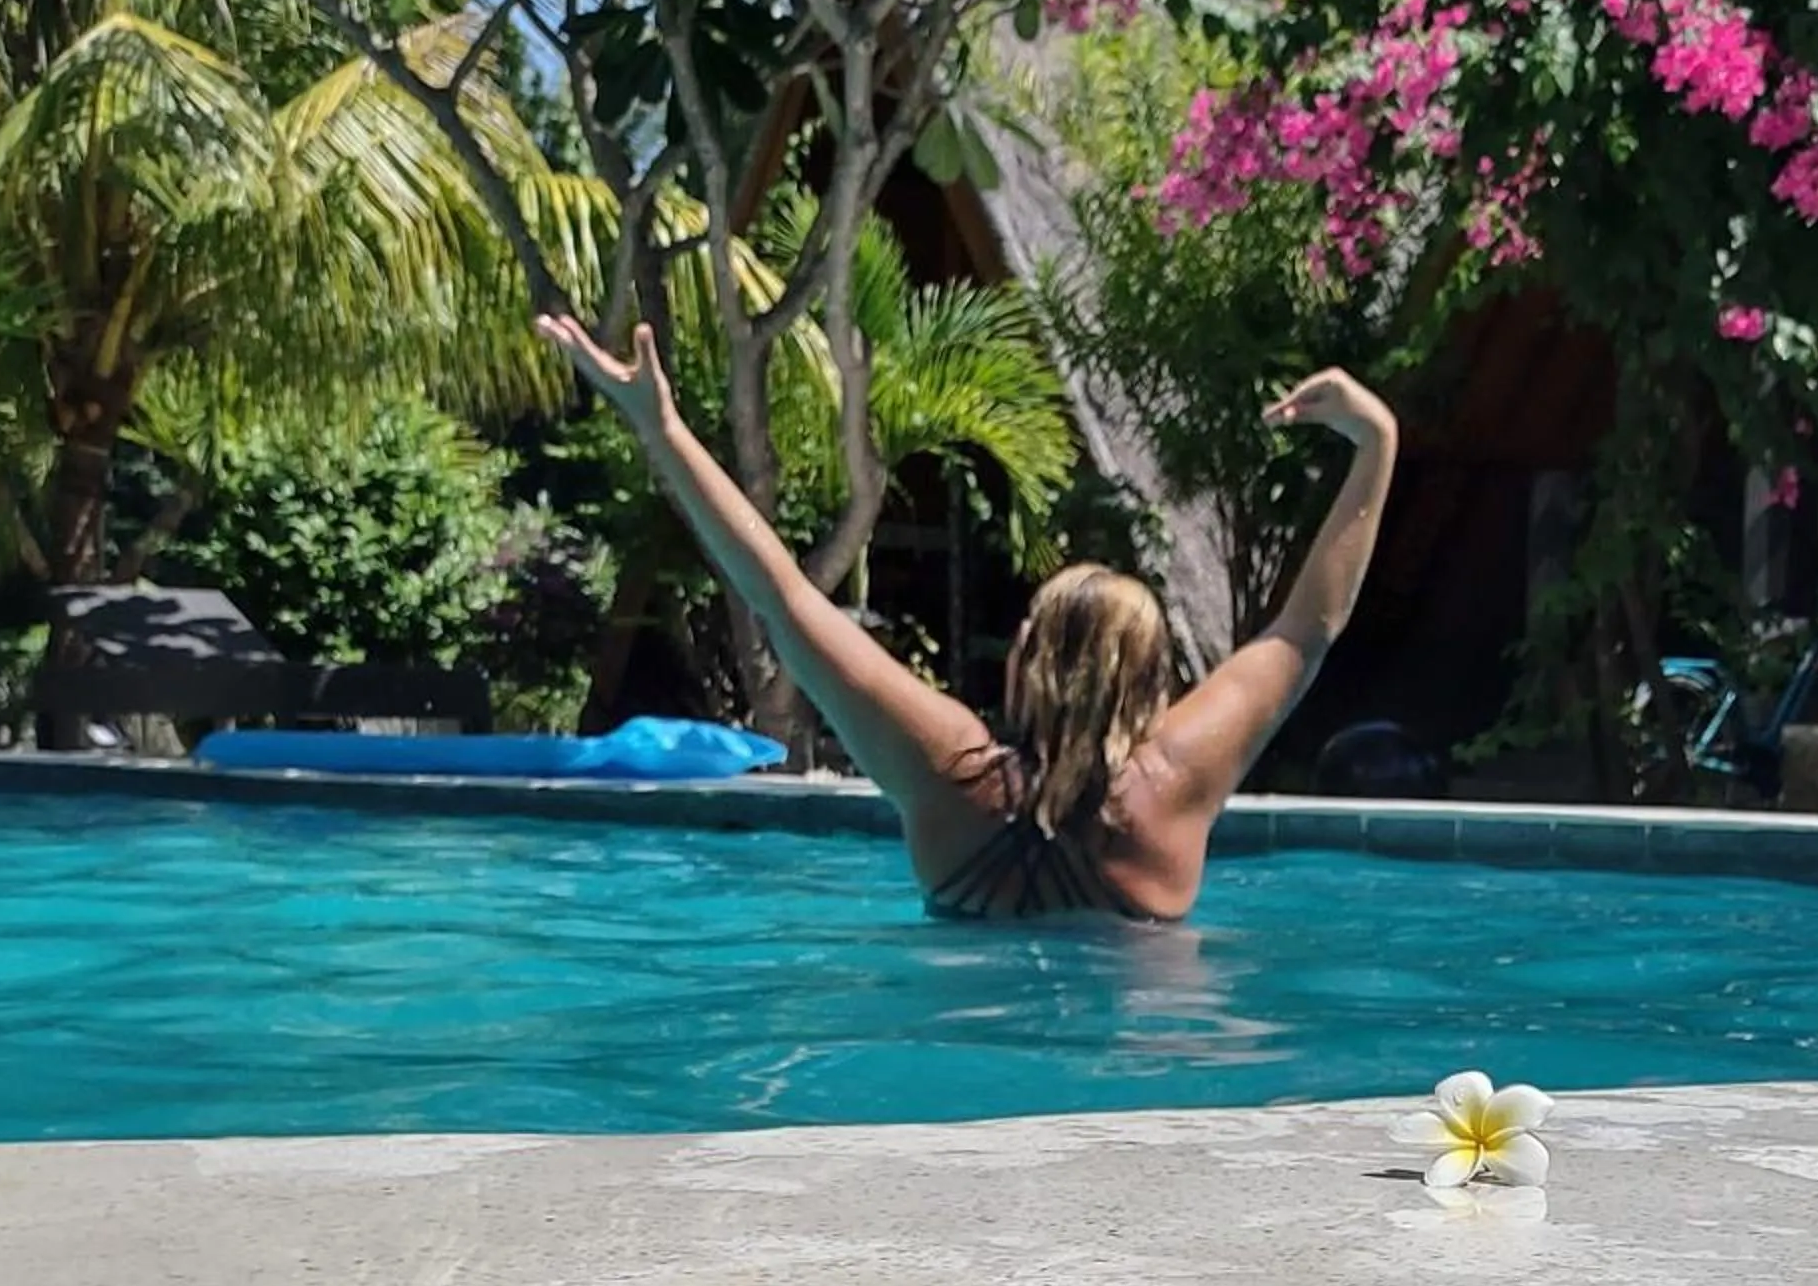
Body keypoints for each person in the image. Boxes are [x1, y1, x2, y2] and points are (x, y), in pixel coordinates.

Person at [537, 313, 1398, 922]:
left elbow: (784, 596)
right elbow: (1304, 629)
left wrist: (665, 431)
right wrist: (1378, 441)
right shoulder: (1178, 780)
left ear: (1028, 660)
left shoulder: (949, 768)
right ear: (1151, 683)